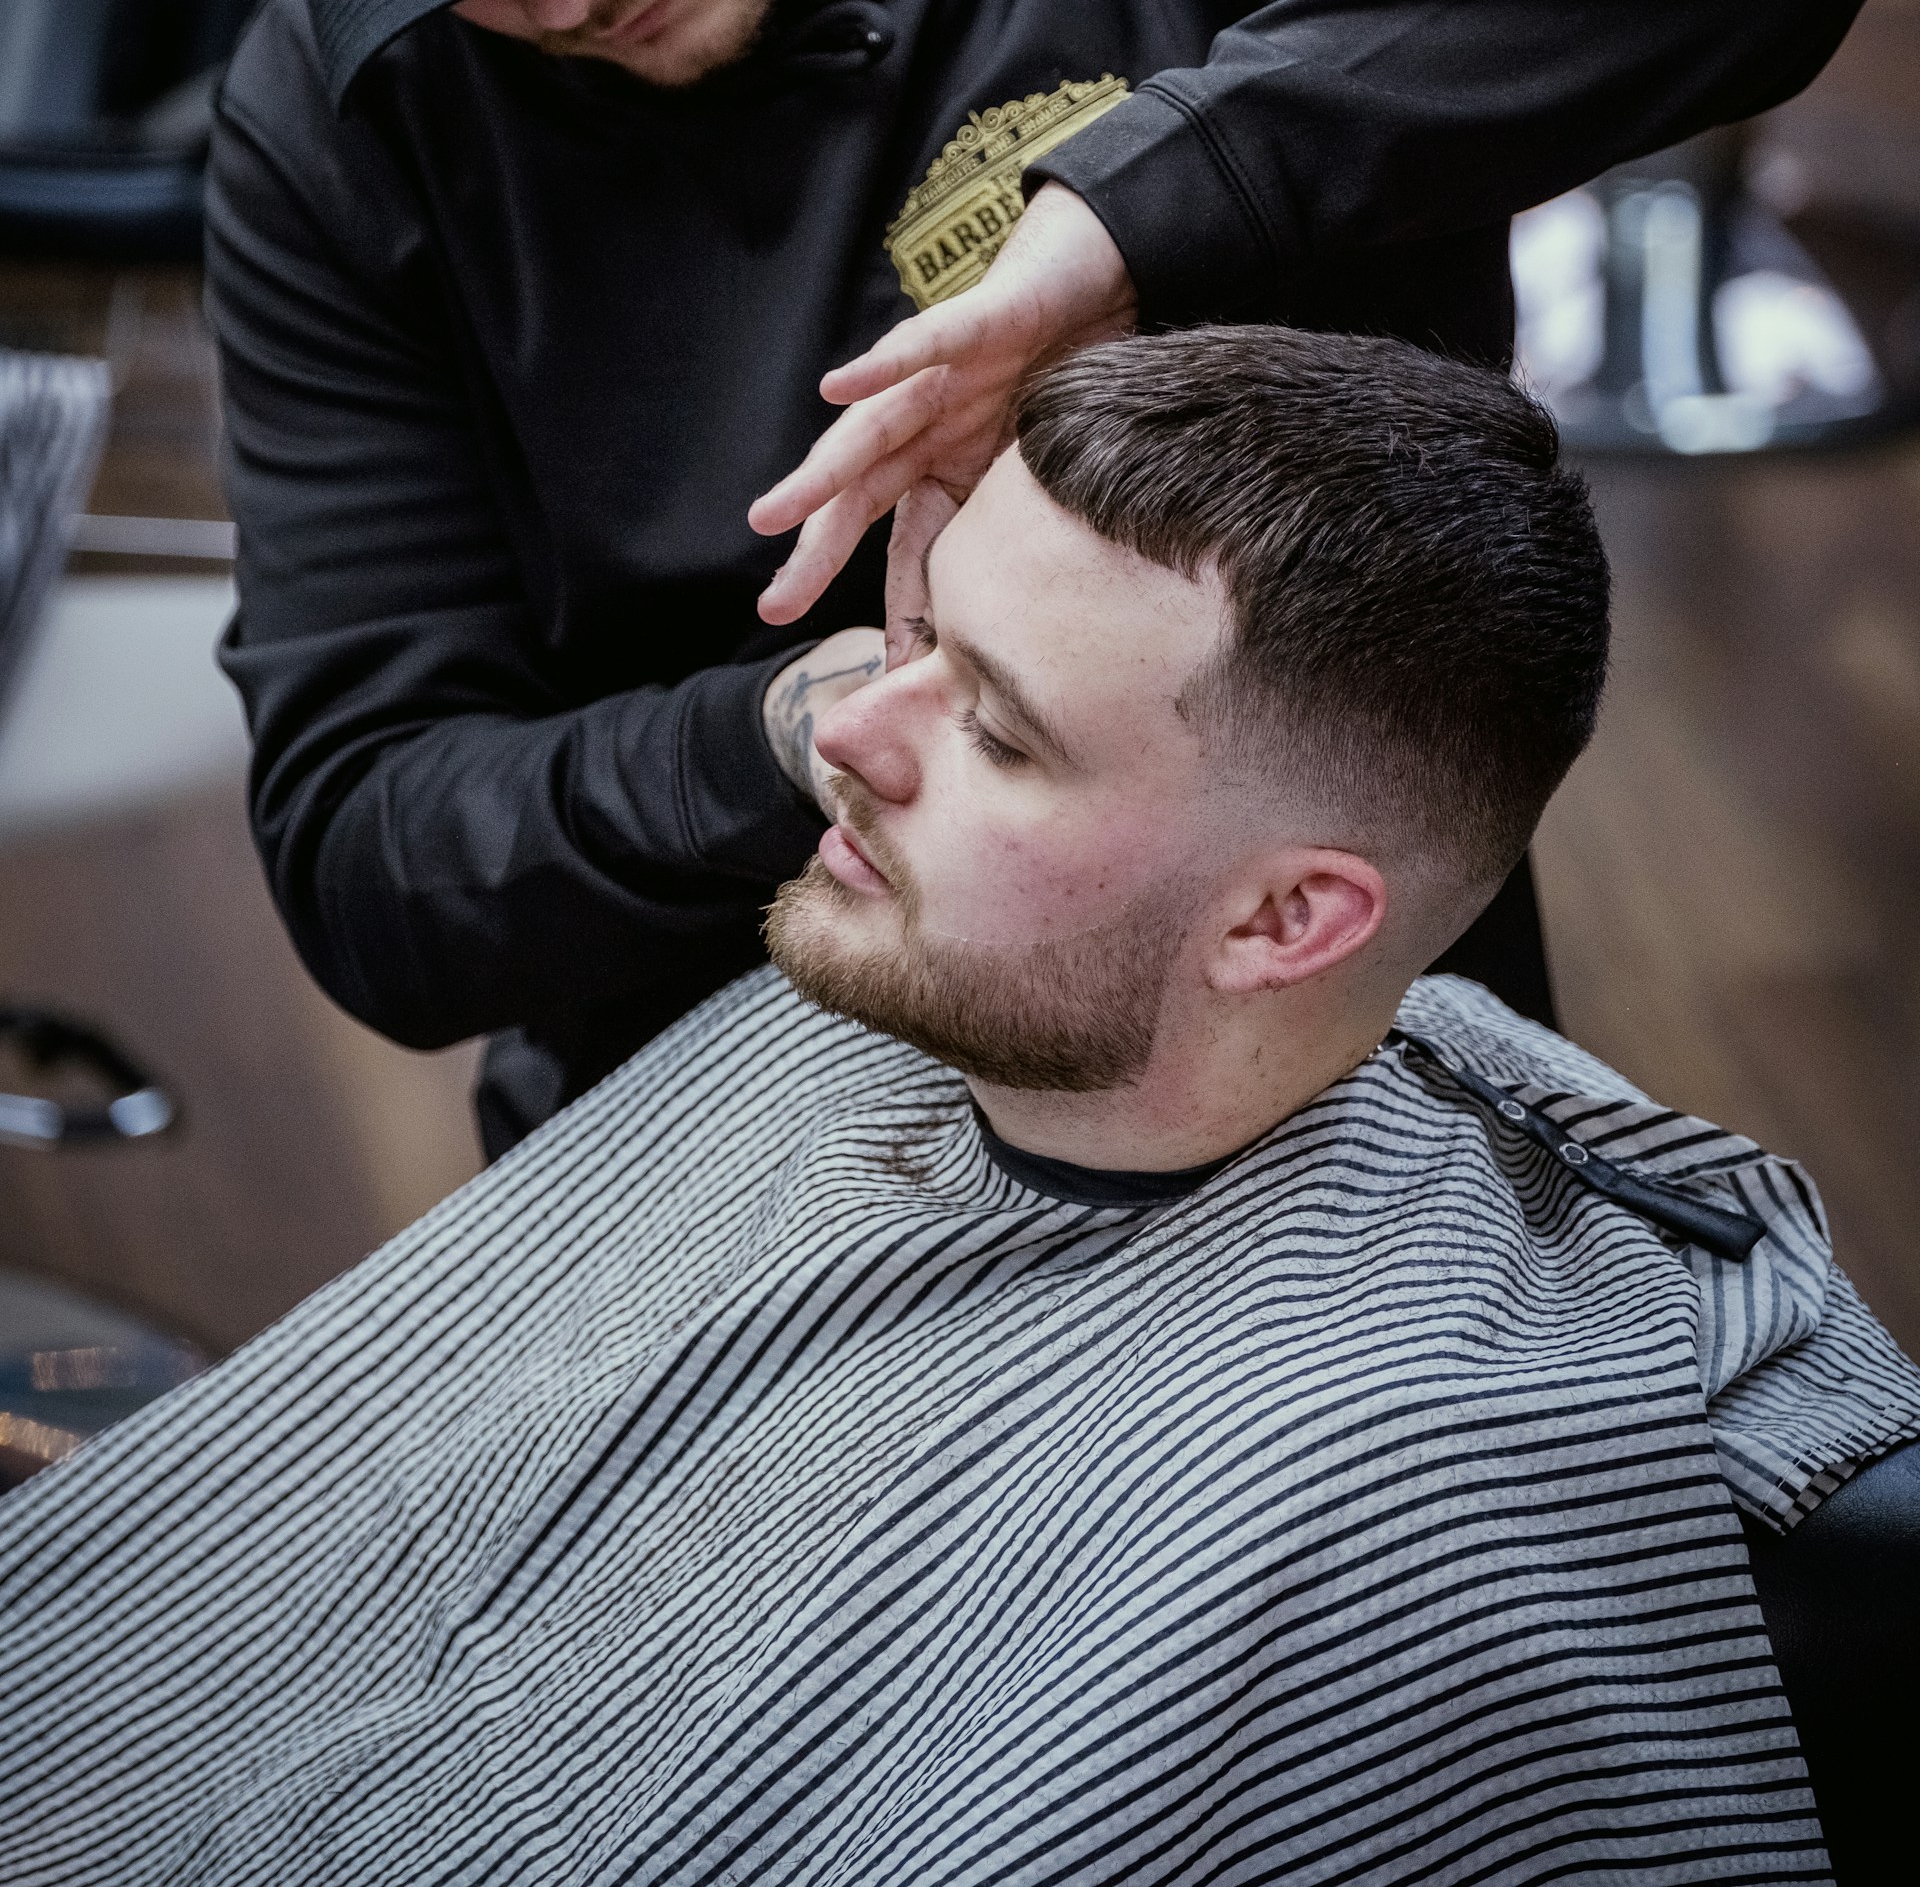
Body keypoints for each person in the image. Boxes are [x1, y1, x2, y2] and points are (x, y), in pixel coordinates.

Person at [117, 0, 1886, 1143]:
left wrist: (1138, 209)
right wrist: (810, 733)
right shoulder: (355, 118)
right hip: (717, 1091)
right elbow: (375, 868)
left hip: (1305, 1062)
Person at [3, 327, 1914, 1885]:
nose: (839, 729)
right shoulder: (883, 995)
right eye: (914, 636)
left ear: (1287, 918)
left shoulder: (1345, 1515)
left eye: (993, 728)